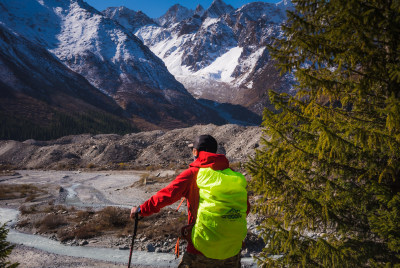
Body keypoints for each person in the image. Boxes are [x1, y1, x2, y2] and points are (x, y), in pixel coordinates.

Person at [130, 135, 250, 268]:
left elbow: (166, 195)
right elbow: (245, 208)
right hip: (232, 251)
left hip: (200, 250)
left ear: (196, 152)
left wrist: (141, 210)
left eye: (193, 150)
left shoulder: (193, 173)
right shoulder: (232, 175)